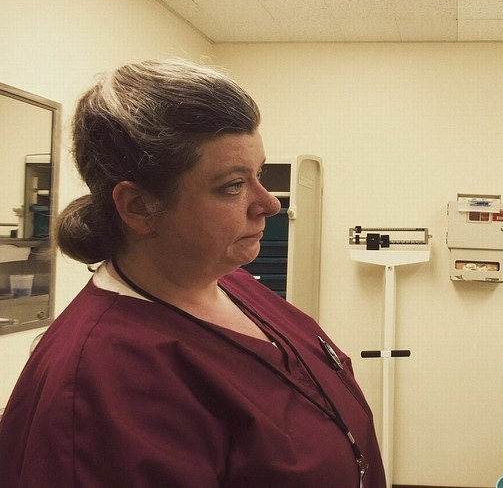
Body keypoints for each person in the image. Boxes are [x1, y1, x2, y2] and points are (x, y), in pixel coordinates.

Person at [0, 58, 385, 487]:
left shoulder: (235, 285)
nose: (270, 203)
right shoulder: (102, 385)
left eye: (259, 174)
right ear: (139, 207)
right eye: (233, 186)